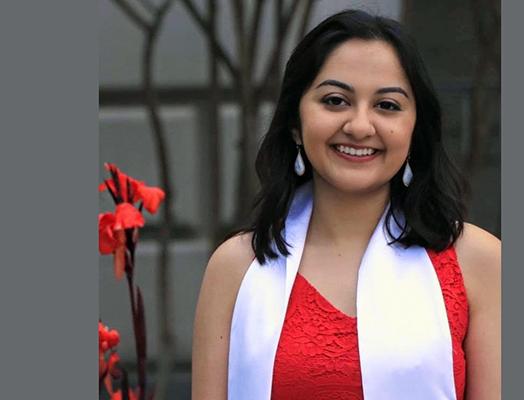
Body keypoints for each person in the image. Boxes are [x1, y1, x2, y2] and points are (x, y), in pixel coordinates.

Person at [192, 9, 500, 400]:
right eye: (336, 101)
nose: (359, 126)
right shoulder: (236, 267)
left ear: (415, 129)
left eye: (387, 105)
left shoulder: (478, 262)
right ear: (294, 123)